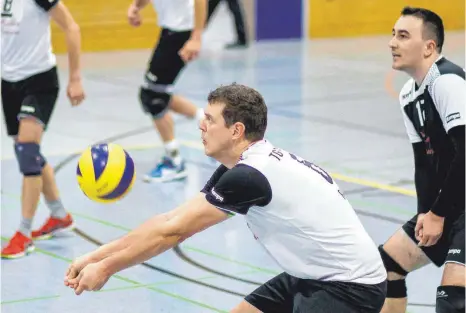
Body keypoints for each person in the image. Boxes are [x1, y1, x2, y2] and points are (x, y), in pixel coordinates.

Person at [64, 83, 387, 312]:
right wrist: (96, 257)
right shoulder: (243, 166)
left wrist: (107, 269)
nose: (201, 125)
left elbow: (172, 234)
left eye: (210, 120)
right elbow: (167, 221)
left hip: (349, 288)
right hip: (312, 273)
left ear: (236, 130)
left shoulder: (250, 177)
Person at [379, 6, 465, 313]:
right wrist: (424, 215)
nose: (392, 43)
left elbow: (465, 154)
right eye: (393, 35)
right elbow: (424, 166)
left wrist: (437, 214)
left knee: (454, 298)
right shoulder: (408, 95)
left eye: (403, 36)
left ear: (429, 47)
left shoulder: (447, 82)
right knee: (385, 266)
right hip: (453, 204)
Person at [1, 0, 85, 258]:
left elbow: (72, 27)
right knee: (29, 153)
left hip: (39, 82)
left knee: (27, 153)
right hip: (9, 82)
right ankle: (59, 215)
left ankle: (24, 234)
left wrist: (75, 78)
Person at [127, 0, 207, 183]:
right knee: (159, 92)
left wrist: (196, 37)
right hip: (171, 30)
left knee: (153, 97)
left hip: (182, 33)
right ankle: (207, 122)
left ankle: (175, 162)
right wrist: (137, 6)